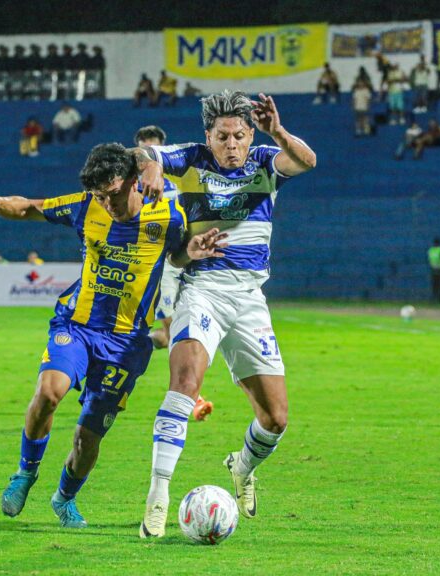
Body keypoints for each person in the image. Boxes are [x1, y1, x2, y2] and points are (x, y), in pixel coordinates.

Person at [0, 143, 226, 528]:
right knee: (49, 391)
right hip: (78, 325)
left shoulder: (169, 215)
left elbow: (176, 255)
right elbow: (29, 207)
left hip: (126, 344)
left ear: (135, 182)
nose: (108, 204)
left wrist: (194, 249)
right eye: (101, 196)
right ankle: (25, 472)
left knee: (88, 439)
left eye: (114, 194)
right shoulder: (86, 205)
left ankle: (64, 498)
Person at [132, 90, 316, 538]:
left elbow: (307, 161)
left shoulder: (266, 160)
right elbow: (138, 151)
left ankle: (242, 466)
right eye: (222, 137)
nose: (231, 145)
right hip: (204, 291)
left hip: (251, 297)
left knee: (275, 419)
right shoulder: (191, 159)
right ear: (208, 137)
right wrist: (153, 164)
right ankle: (157, 498)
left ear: (250, 134)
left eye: (239, 136)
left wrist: (279, 131)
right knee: (184, 384)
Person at [134, 124, 215, 422]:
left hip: (177, 257)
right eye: (146, 147)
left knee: (174, 327)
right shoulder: (135, 180)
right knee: (165, 330)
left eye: (155, 147)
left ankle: (192, 396)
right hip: (149, 256)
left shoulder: (180, 177)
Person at [427, 238, 440, 304]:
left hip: (433, 270)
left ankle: (433, 299)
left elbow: (429, 259)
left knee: (434, 286)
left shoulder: (430, 250)